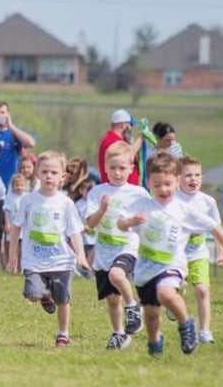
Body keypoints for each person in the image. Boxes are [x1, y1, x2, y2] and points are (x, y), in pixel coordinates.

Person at [117, 152, 223, 356]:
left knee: (166, 293)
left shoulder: (182, 209)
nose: (163, 189)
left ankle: (186, 323)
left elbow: (212, 225)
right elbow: (120, 222)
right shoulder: (142, 205)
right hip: (146, 267)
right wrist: (129, 222)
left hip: (172, 265)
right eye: (157, 184)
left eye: (168, 184)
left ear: (177, 181)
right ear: (148, 183)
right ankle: (155, 342)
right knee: (152, 313)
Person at [8, 150, 90, 348]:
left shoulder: (66, 203)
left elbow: (75, 232)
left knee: (63, 300)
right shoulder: (27, 200)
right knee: (32, 294)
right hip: (34, 260)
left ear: (63, 176)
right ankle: (44, 295)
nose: (48, 176)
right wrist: (13, 255)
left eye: (54, 173)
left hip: (61, 260)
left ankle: (63, 334)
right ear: (37, 174)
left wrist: (80, 254)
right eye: (44, 172)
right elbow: (16, 227)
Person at [83, 142, 148, 350]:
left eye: (122, 168)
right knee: (112, 299)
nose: (117, 173)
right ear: (105, 167)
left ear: (131, 168)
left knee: (117, 275)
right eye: (112, 168)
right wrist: (102, 209)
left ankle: (132, 305)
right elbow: (90, 225)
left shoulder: (139, 194)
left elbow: (150, 218)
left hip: (127, 247)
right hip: (104, 251)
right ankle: (120, 334)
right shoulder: (97, 192)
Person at [176, 156, 221, 344]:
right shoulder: (172, 199)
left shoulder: (208, 202)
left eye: (197, 175)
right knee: (174, 290)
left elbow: (216, 227)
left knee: (203, 290)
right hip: (176, 255)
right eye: (188, 175)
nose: (193, 179)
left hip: (198, 254)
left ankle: (204, 331)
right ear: (178, 178)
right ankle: (175, 302)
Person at [97, 109, 141, 186]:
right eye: (130, 125)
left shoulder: (117, 139)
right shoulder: (112, 140)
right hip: (115, 189)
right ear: (124, 125)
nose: (131, 129)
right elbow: (128, 155)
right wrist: (140, 138)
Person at [1, 171, 29, 274]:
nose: (19, 187)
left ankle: (22, 267)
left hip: (24, 227)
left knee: (22, 248)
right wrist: (7, 223)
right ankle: (12, 266)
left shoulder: (27, 197)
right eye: (16, 185)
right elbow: (6, 210)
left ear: (25, 186)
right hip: (13, 226)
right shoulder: (10, 197)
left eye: (21, 185)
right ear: (12, 186)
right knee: (13, 247)